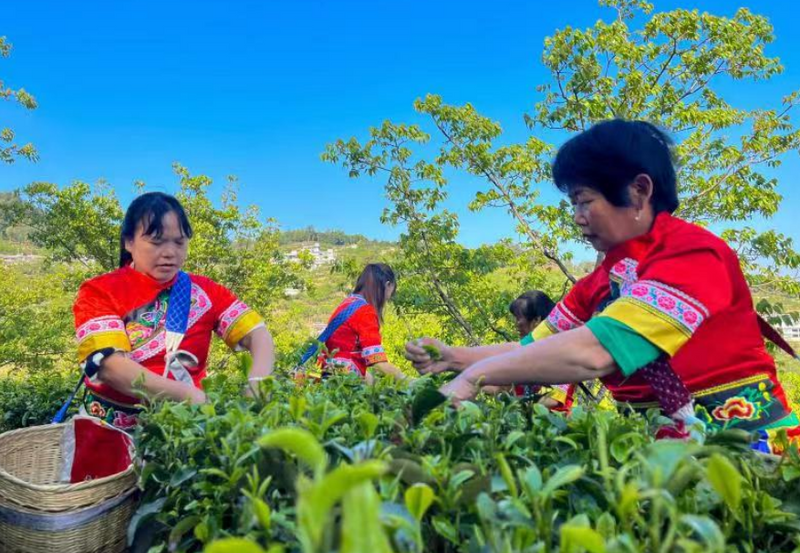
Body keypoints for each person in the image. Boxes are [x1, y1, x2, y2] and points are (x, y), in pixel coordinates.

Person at [405, 119, 799, 454]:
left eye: (584, 201)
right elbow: (532, 350)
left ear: (639, 191)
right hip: (659, 454)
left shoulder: (693, 254)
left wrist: (474, 376)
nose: (577, 217)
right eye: (573, 205)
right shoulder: (597, 284)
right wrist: (455, 357)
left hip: (748, 446)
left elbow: (598, 351)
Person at [73, 192, 275, 430]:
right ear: (129, 242)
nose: (170, 252)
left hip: (186, 430)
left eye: (179, 242)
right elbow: (109, 366)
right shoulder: (100, 291)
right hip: (110, 433)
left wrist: (258, 381)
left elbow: (257, 334)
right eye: (156, 242)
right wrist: (187, 395)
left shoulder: (206, 292)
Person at [313, 263, 408, 382]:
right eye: (391, 293)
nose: (387, 299)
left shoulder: (347, 304)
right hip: (346, 380)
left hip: (330, 374)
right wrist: (408, 380)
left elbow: (347, 352)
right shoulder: (365, 312)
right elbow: (378, 362)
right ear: (387, 285)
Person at [508, 291, 575, 411]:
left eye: (519, 318)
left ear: (537, 320)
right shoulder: (526, 351)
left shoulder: (561, 352)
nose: (516, 324)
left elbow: (553, 400)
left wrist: (513, 402)